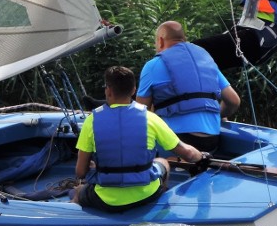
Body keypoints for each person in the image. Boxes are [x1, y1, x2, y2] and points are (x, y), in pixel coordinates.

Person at [72, 66, 209, 213]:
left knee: (79, 192)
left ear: (108, 90)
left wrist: (95, 168)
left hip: (106, 201)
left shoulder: (91, 121)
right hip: (146, 196)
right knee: (162, 162)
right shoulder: (150, 118)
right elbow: (187, 153)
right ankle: (159, 207)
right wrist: (202, 156)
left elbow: (80, 172)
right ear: (133, 90)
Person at [135, 21, 241, 153]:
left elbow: (140, 115)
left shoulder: (153, 65)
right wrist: (216, 115)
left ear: (161, 41)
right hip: (211, 140)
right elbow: (234, 101)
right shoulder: (206, 61)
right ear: (184, 39)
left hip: (177, 141)